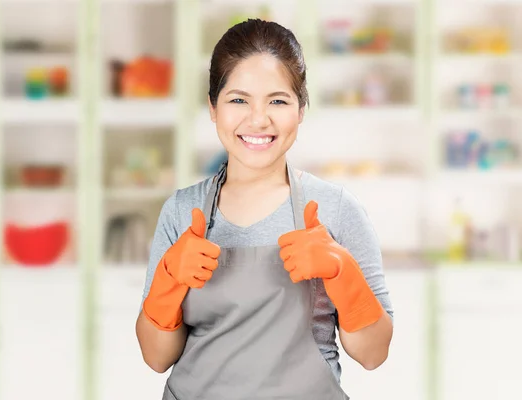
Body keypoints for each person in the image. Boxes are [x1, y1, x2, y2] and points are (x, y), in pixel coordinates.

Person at [136, 18, 394, 400]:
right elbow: (157, 357)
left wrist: (343, 274)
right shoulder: (183, 211)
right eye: (238, 100)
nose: (258, 119)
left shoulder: (336, 210)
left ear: (301, 109)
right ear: (213, 108)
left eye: (278, 100)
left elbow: (373, 354)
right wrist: (168, 281)